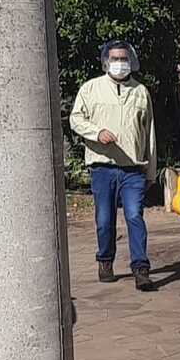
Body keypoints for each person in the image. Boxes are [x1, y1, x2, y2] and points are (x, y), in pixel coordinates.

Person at [70, 41, 157, 292]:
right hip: (103, 167)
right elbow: (76, 119)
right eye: (115, 58)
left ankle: (141, 269)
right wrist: (97, 133)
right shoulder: (91, 89)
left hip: (133, 168)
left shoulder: (141, 91)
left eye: (124, 58)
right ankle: (105, 260)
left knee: (134, 216)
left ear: (131, 60)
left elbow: (149, 132)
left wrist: (150, 170)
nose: (120, 62)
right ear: (106, 61)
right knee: (104, 219)